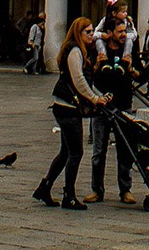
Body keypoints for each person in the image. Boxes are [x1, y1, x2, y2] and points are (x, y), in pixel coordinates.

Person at [36, 17, 109, 210]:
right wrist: (95, 99)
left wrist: (100, 96)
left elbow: (87, 81)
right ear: (78, 32)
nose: (92, 35)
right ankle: (68, 195)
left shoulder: (80, 50)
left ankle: (45, 187)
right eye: (88, 32)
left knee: (66, 152)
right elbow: (78, 81)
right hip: (67, 107)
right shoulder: (75, 51)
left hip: (66, 105)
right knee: (76, 152)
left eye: (92, 31)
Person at [86, 19, 137, 205]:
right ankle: (96, 190)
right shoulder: (98, 50)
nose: (124, 35)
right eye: (120, 31)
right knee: (98, 151)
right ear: (109, 32)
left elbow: (141, 73)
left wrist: (133, 70)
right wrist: (96, 66)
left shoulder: (129, 49)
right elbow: (87, 77)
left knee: (124, 149)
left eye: (125, 31)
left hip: (123, 105)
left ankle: (126, 189)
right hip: (102, 107)